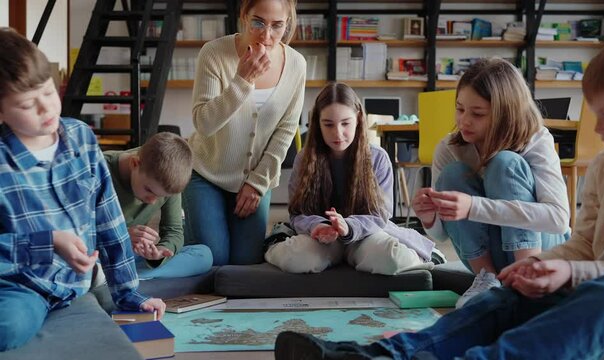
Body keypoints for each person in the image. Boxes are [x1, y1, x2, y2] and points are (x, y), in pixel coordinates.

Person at [273, 31, 604, 360]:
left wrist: (567, 268)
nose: (596, 128)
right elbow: (585, 244)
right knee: (506, 297)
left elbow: (568, 228)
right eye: (460, 110)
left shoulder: (534, 142)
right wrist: (546, 266)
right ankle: (380, 356)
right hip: (581, 280)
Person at [0, 28, 164, 351]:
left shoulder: (81, 139)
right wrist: (47, 244)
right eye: (26, 105)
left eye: (48, 93)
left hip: (76, 284)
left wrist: (130, 293)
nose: (46, 110)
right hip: (21, 286)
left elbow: (110, 222)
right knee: (9, 326)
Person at [412, 58, 570, 307]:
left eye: (477, 114)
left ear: (505, 113)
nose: (464, 121)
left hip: (541, 252)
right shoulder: (450, 148)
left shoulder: (536, 139)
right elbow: (442, 235)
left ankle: (528, 282)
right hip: (489, 257)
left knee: (505, 163)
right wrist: (429, 217)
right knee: (453, 174)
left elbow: (558, 219)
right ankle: (486, 280)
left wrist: (473, 206)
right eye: (460, 109)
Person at [265, 82, 439, 275]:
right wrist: (318, 226)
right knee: (295, 258)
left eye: (345, 123)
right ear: (317, 123)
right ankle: (280, 241)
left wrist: (348, 227)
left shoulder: (378, 157)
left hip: (364, 236)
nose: (337, 133)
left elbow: (380, 215)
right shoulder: (304, 158)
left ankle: (422, 254)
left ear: (358, 119)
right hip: (320, 239)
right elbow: (298, 214)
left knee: (393, 259)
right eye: (328, 124)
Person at [183, 0, 306, 265]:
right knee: (212, 262)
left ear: (288, 23)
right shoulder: (214, 53)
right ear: (243, 15)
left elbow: (285, 131)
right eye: (258, 22)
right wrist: (242, 80)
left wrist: (258, 183)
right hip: (206, 174)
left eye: (277, 26)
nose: (266, 35)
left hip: (254, 181)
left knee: (246, 266)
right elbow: (203, 123)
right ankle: (187, 237)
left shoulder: (296, 65)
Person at [103, 132, 212, 279]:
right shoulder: (98, 169)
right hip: (101, 254)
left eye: (161, 196)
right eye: (149, 190)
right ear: (135, 164)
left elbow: (174, 232)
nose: (152, 201)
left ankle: (134, 277)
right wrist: (120, 235)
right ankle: (125, 279)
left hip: (131, 257)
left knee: (204, 255)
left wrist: (160, 253)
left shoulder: (168, 177)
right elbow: (76, 232)